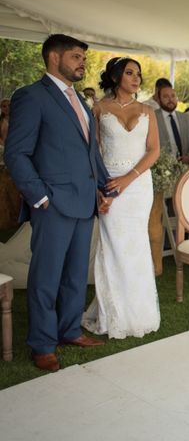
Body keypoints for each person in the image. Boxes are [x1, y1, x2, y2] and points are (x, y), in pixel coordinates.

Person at [4, 34, 111, 372]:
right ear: (54, 57)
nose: (83, 63)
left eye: (83, 58)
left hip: (84, 201)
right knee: (46, 277)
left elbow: (89, 150)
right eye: (77, 57)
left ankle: (68, 330)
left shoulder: (79, 99)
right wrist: (40, 196)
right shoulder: (31, 97)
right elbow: (16, 153)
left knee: (77, 274)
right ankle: (42, 343)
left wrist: (104, 187)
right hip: (52, 203)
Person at [82, 56, 161, 339]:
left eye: (138, 74)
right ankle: (111, 313)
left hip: (138, 186)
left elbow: (153, 150)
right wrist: (101, 189)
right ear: (116, 77)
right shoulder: (99, 109)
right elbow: (95, 154)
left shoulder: (148, 110)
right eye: (129, 73)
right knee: (112, 247)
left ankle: (140, 312)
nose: (136, 78)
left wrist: (128, 179)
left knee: (137, 245)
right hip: (109, 185)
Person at [155, 86, 189, 165]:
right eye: (166, 96)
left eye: (173, 96)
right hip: (161, 167)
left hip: (185, 166)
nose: (170, 99)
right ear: (158, 100)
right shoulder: (152, 118)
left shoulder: (187, 118)